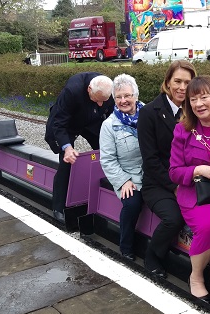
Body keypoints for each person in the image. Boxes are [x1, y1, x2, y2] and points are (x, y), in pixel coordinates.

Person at [169, 75, 210, 314]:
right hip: (195, 195)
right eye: (193, 99)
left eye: (204, 97)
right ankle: (196, 277)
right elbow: (174, 172)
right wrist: (200, 169)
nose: (199, 104)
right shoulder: (183, 131)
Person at [137, 60, 196, 279]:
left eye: (187, 83)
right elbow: (150, 160)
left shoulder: (194, 110)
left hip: (190, 178)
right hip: (159, 183)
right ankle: (152, 255)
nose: (182, 87)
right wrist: (175, 186)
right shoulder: (149, 113)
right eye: (177, 81)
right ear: (167, 83)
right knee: (174, 218)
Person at [44, 72, 114, 225]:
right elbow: (59, 123)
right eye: (98, 100)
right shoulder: (72, 91)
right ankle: (58, 207)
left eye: (104, 101)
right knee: (67, 161)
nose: (102, 104)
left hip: (91, 121)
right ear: (89, 89)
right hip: (67, 124)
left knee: (108, 154)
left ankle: (106, 197)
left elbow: (112, 116)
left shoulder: (107, 90)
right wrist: (67, 147)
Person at [99, 74, 145, 261]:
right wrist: (123, 181)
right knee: (132, 203)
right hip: (128, 176)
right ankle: (126, 246)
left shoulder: (149, 115)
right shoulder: (109, 126)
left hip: (151, 174)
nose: (123, 100)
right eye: (118, 97)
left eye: (127, 95)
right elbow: (107, 160)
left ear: (135, 95)